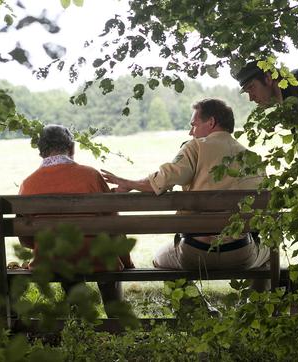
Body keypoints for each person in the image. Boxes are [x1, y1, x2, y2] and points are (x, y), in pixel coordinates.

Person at [102, 99, 269, 271]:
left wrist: (129, 183)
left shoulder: (196, 147)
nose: (191, 132)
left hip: (195, 253)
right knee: (269, 256)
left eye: (194, 125)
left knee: (159, 258)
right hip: (240, 253)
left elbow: (162, 181)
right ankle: (261, 298)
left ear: (211, 122)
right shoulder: (253, 159)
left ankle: (186, 298)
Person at [18, 124, 134, 316]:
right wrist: (125, 261)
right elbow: (114, 224)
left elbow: (26, 239)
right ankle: (116, 321)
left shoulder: (28, 184)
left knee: (64, 255)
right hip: (96, 258)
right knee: (102, 257)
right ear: (72, 148)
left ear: (41, 153)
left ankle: (79, 321)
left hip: (52, 260)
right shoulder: (91, 176)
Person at [233, 59, 298, 107]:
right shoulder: (286, 104)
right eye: (247, 92)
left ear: (268, 78)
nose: (251, 98)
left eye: (251, 88)